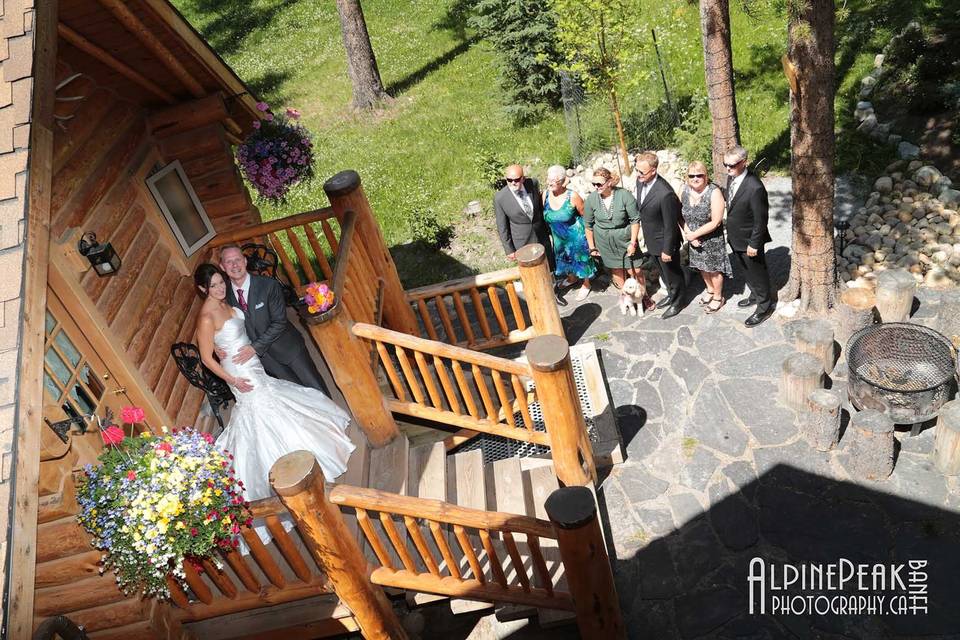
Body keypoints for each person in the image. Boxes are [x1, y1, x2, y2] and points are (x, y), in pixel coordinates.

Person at [193, 263, 355, 508]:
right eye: (213, 285)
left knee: (273, 397)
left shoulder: (226, 303)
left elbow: (226, 335)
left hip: (252, 361)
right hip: (238, 371)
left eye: (220, 282)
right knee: (259, 410)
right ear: (202, 288)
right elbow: (206, 358)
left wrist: (218, 344)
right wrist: (233, 380)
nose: (219, 288)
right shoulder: (206, 317)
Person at [218, 244, 328, 393]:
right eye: (229, 261)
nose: (234, 265)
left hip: (288, 347)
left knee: (316, 388)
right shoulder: (225, 296)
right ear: (222, 267)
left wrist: (254, 347)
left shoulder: (269, 285)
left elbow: (280, 322)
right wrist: (214, 346)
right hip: (266, 360)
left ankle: (337, 416)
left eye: (238, 259)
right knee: (295, 395)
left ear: (245, 261)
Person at [723, 146, 774, 327]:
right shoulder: (732, 178)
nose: (728, 169)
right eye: (725, 165)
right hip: (736, 238)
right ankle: (754, 295)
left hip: (749, 241)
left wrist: (754, 244)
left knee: (758, 274)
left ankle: (764, 307)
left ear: (744, 162)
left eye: (732, 165)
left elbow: (761, 220)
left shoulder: (755, 187)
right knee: (746, 271)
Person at [582, 167, 648, 298]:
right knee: (617, 270)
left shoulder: (624, 195)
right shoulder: (591, 199)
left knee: (636, 270)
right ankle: (626, 297)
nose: (596, 187)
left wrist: (633, 243)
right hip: (604, 241)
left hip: (625, 238)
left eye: (599, 184)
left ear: (609, 182)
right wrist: (592, 247)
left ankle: (643, 295)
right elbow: (588, 225)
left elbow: (635, 220)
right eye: (594, 184)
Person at [635, 151, 685, 319]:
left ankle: (678, 301)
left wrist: (668, 249)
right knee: (664, 274)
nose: (638, 175)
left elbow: (671, 224)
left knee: (673, 274)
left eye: (642, 172)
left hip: (664, 242)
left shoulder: (665, 193)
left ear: (654, 170)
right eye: (637, 171)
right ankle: (671, 295)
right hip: (652, 240)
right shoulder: (641, 182)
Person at [681, 161, 733, 314]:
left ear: (706, 176)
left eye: (699, 175)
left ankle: (718, 297)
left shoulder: (714, 192)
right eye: (692, 176)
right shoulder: (684, 191)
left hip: (711, 239)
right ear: (687, 177)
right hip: (693, 238)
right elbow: (680, 216)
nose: (695, 178)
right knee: (701, 267)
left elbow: (716, 221)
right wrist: (689, 235)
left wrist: (694, 235)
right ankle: (709, 290)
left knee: (714, 270)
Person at [543, 165, 595, 301]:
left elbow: (585, 215)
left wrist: (589, 238)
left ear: (562, 181)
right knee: (564, 258)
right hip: (558, 237)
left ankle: (586, 284)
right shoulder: (546, 194)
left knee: (580, 260)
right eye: (549, 180)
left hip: (575, 236)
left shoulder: (573, 196)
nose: (550, 183)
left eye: (554, 181)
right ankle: (572, 278)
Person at [494, 164, 554, 270]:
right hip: (522, 240)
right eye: (509, 180)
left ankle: (552, 282)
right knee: (530, 269)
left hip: (541, 234)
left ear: (523, 178)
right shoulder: (500, 198)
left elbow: (539, 207)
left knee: (548, 263)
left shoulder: (533, 184)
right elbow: (502, 227)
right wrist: (509, 249)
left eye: (516, 180)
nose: (513, 183)